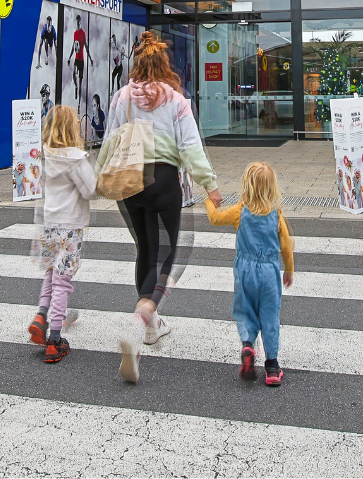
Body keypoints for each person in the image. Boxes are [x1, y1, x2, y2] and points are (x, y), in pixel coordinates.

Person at [101, 31, 221, 385]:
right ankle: (142, 317)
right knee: (171, 252)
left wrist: (98, 179)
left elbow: (109, 142)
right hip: (164, 180)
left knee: (145, 249)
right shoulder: (175, 98)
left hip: (129, 182)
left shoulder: (121, 97)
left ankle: (151, 327)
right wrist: (210, 185)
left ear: (137, 64)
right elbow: (191, 147)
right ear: (163, 65)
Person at [204, 162, 294, 386]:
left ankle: (247, 344)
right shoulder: (276, 216)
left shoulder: (239, 212)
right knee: (270, 316)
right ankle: (272, 366)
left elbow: (214, 218)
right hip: (270, 271)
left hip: (245, 271)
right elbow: (286, 248)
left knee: (246, 311)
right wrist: (289, 271)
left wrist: (208, 201)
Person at [28, 106, 98, 363]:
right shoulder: (76, 159)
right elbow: (91, 189)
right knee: (62, 281)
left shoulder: (44, 156)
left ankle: (41, 316)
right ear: (71, 127)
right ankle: (55, 339)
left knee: (50, 273)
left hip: (48, 225)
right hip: (70, 227)